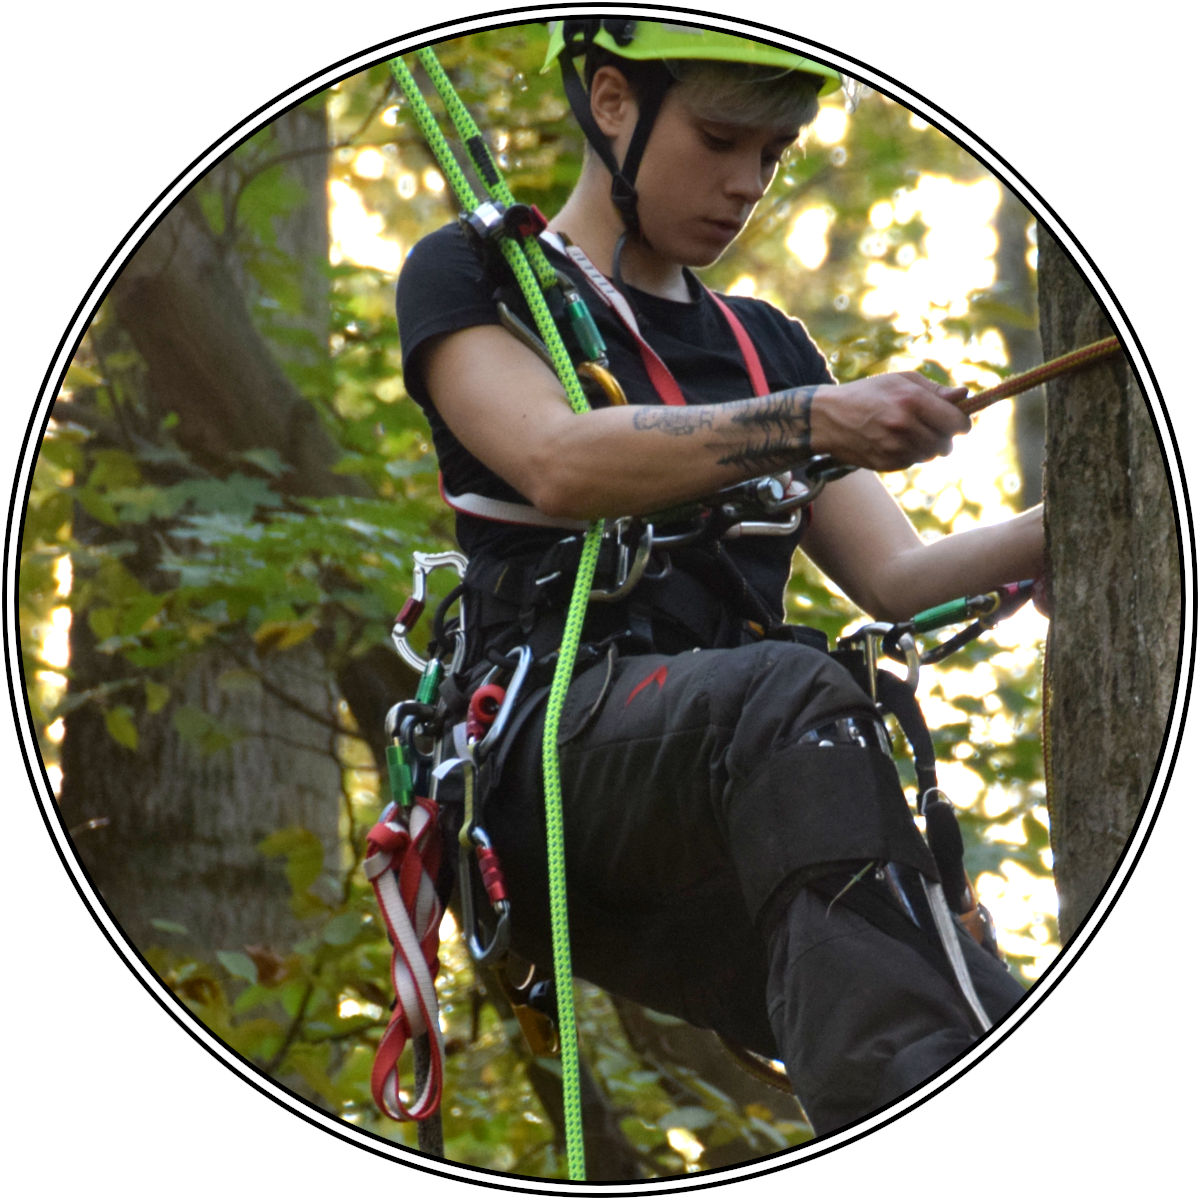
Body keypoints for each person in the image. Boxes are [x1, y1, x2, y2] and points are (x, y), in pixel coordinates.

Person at [395, 19, 1040, 1138]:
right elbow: (556, 462)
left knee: (992, 1030)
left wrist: (1095, 522)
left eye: (773, 156)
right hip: (551, 767)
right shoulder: (486, 277)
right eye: (720, 139)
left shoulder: (766, 347)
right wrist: (812, 422)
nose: (746, 186)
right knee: (794, 693)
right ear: (611, 101)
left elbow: (900, 578)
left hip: (753, 799)